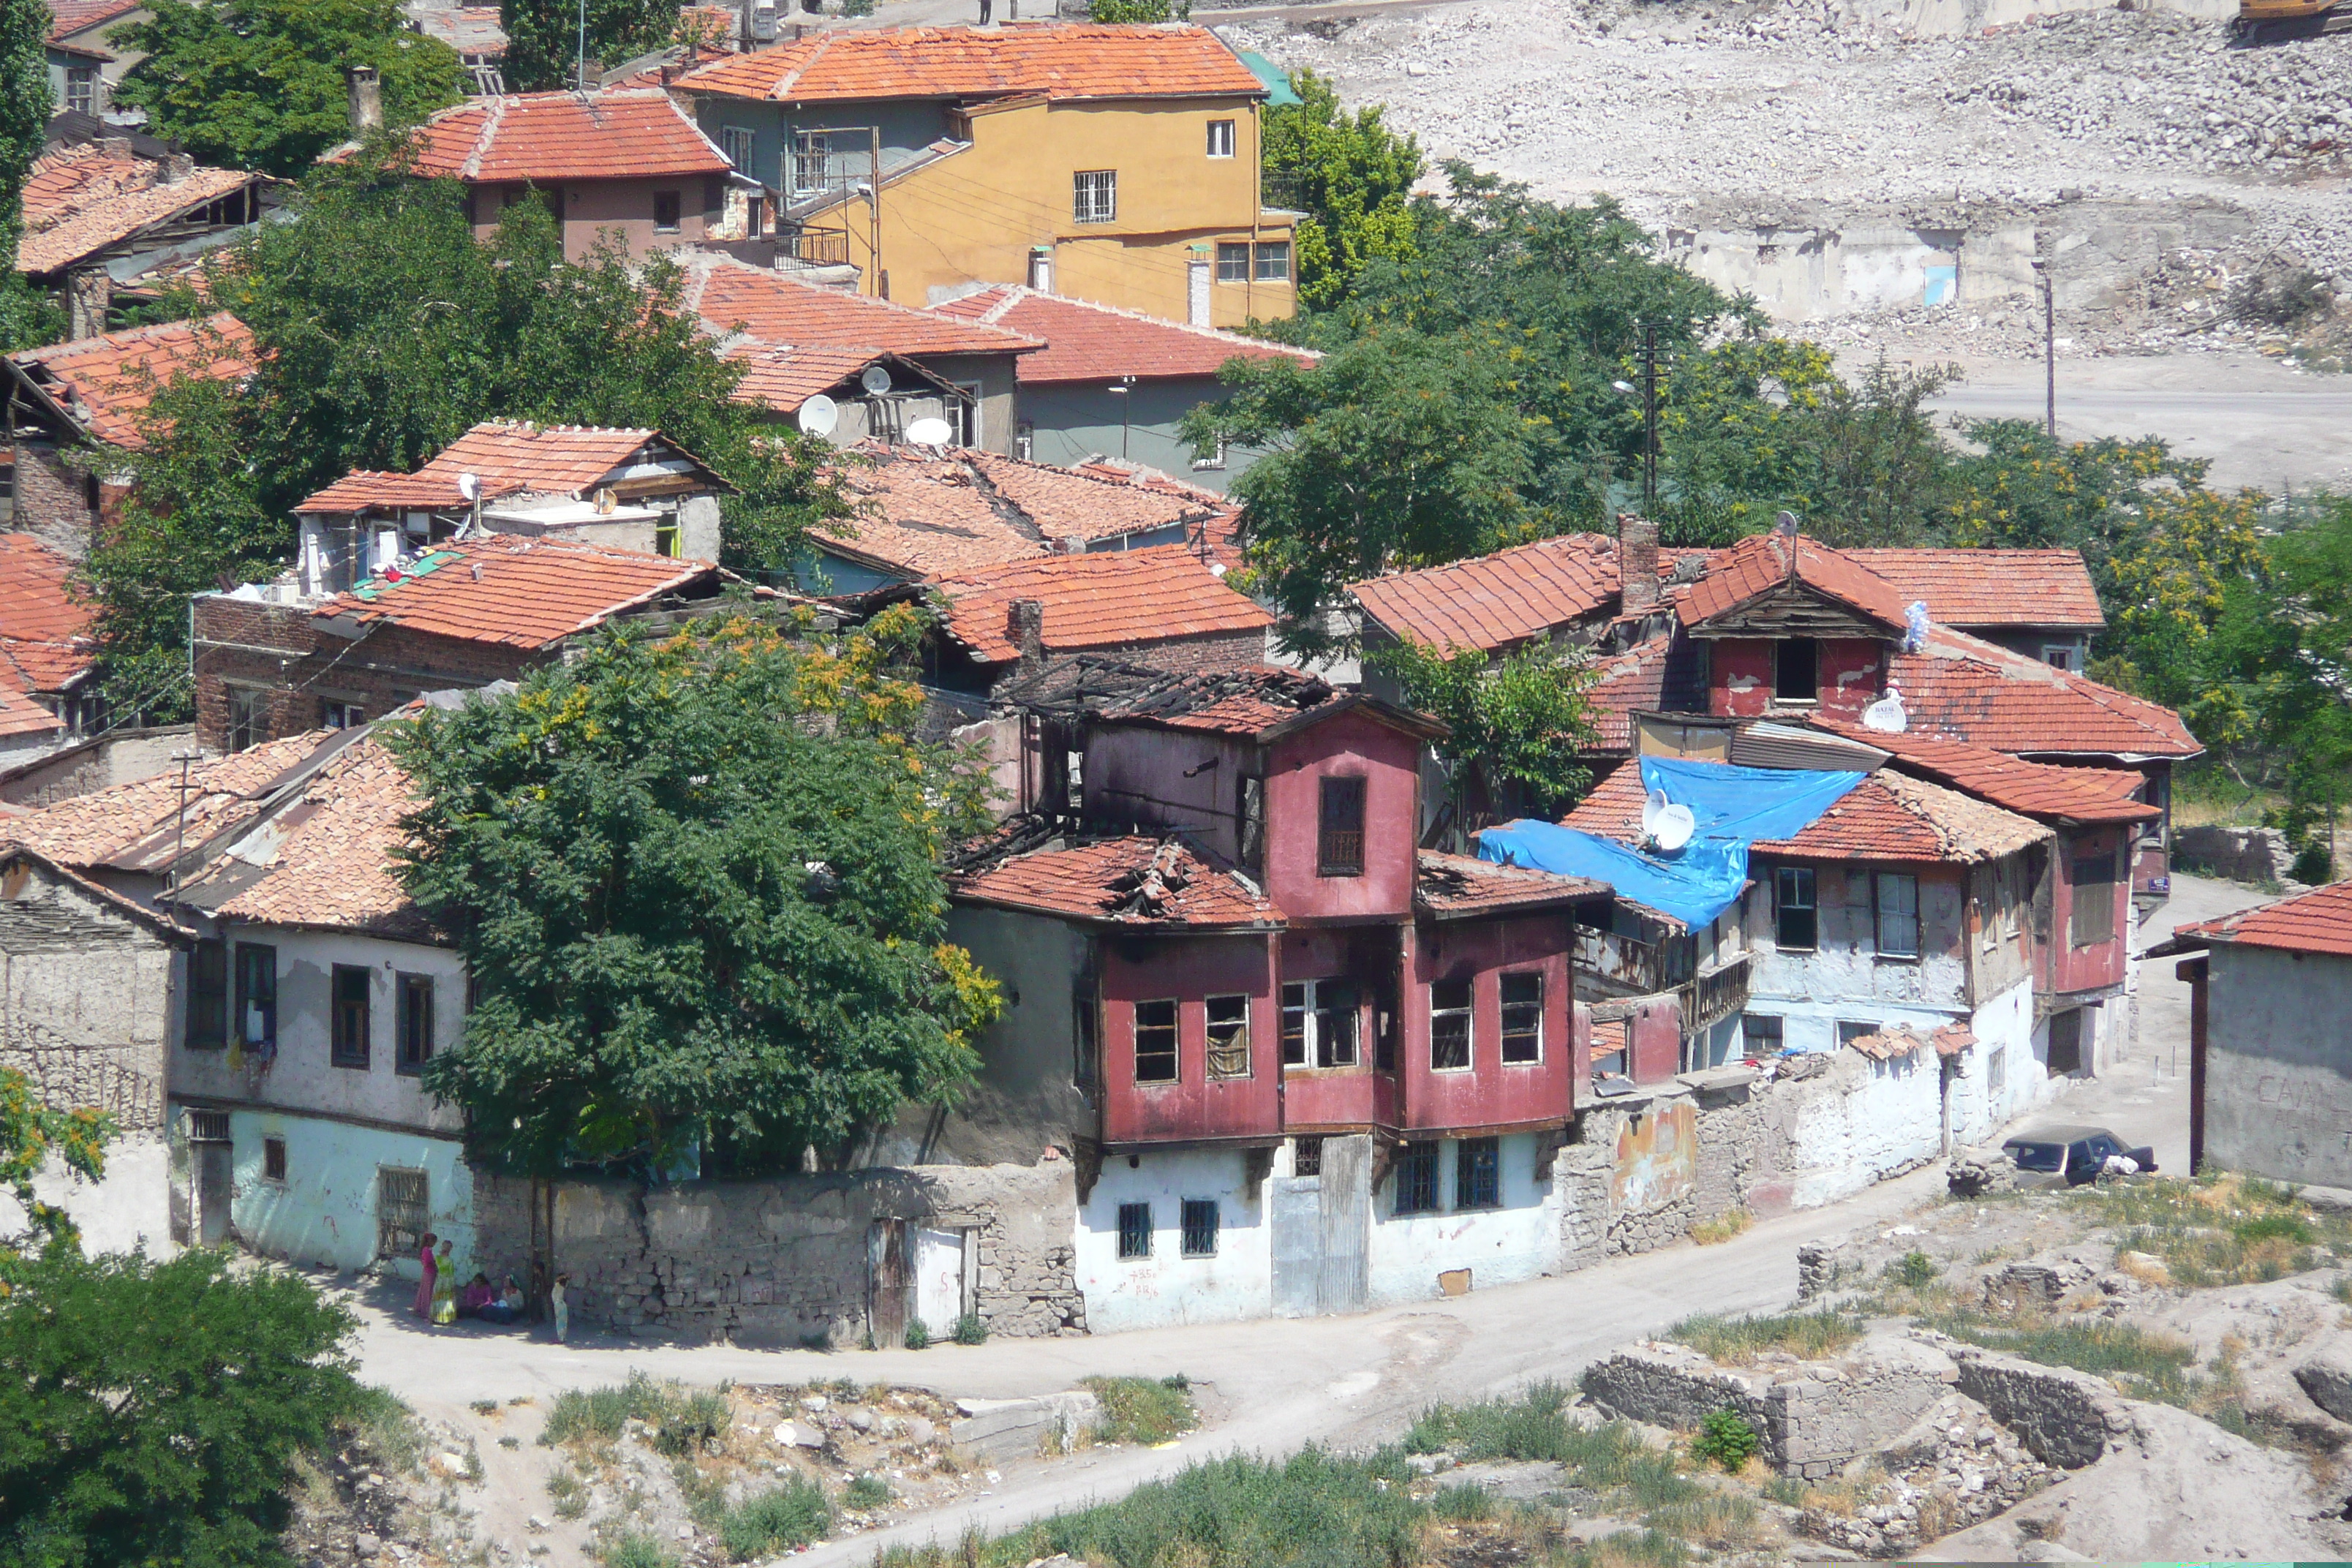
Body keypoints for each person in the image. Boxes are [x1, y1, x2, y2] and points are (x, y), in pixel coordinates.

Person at [430, 1240, 458, 1326]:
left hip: (439, 1280)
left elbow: (436, 1269)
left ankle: (435, 1317)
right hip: (448, 1281)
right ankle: (446, 1319)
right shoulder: (450, 1260)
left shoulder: (437, 1258)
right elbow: (451, 1273)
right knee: (447, 1300)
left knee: (437, 1298)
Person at [413, 1232, 438, 1320]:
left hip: (426, 1272)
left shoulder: (424, 1250)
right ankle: (426, 1311)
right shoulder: (427, 1251)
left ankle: (419, 1308)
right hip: (430, 1272)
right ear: (430, 1242)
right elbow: (428, 1262)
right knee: (428, 1292)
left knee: (423, 1290)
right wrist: (435, 1265)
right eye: (434, 1242)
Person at [551, 1271, 570, 1342]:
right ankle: (563, 1337)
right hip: (562, 1304)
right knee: (563, 1321)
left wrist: (564, 1276)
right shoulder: (562, 1286)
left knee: (560, 1322)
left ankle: (561, 1337)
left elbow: (557, 1279)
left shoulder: (558, 1286)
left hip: (558, 1304)